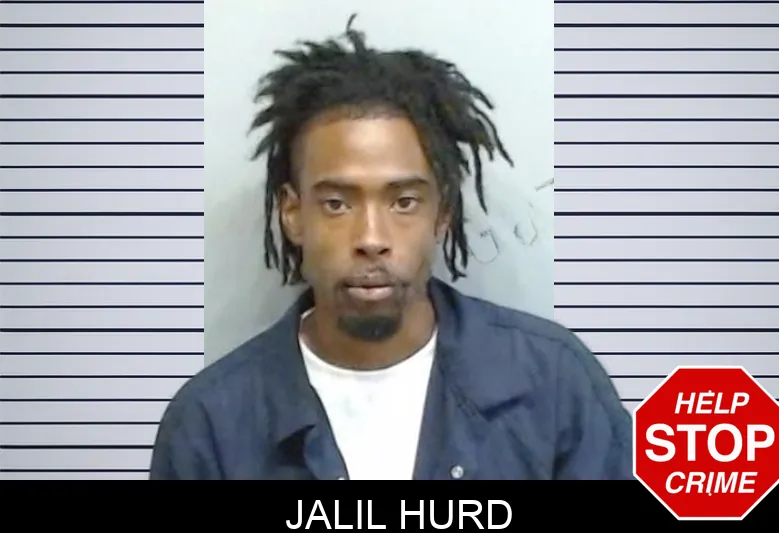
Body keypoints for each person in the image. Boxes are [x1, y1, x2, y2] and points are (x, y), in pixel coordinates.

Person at [150, 17, 634, 480]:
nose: (371, 239)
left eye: (403, 202)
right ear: (293, 214)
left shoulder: (555, 385)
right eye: (337, 204)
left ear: (442, 214)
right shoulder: (210, 425)